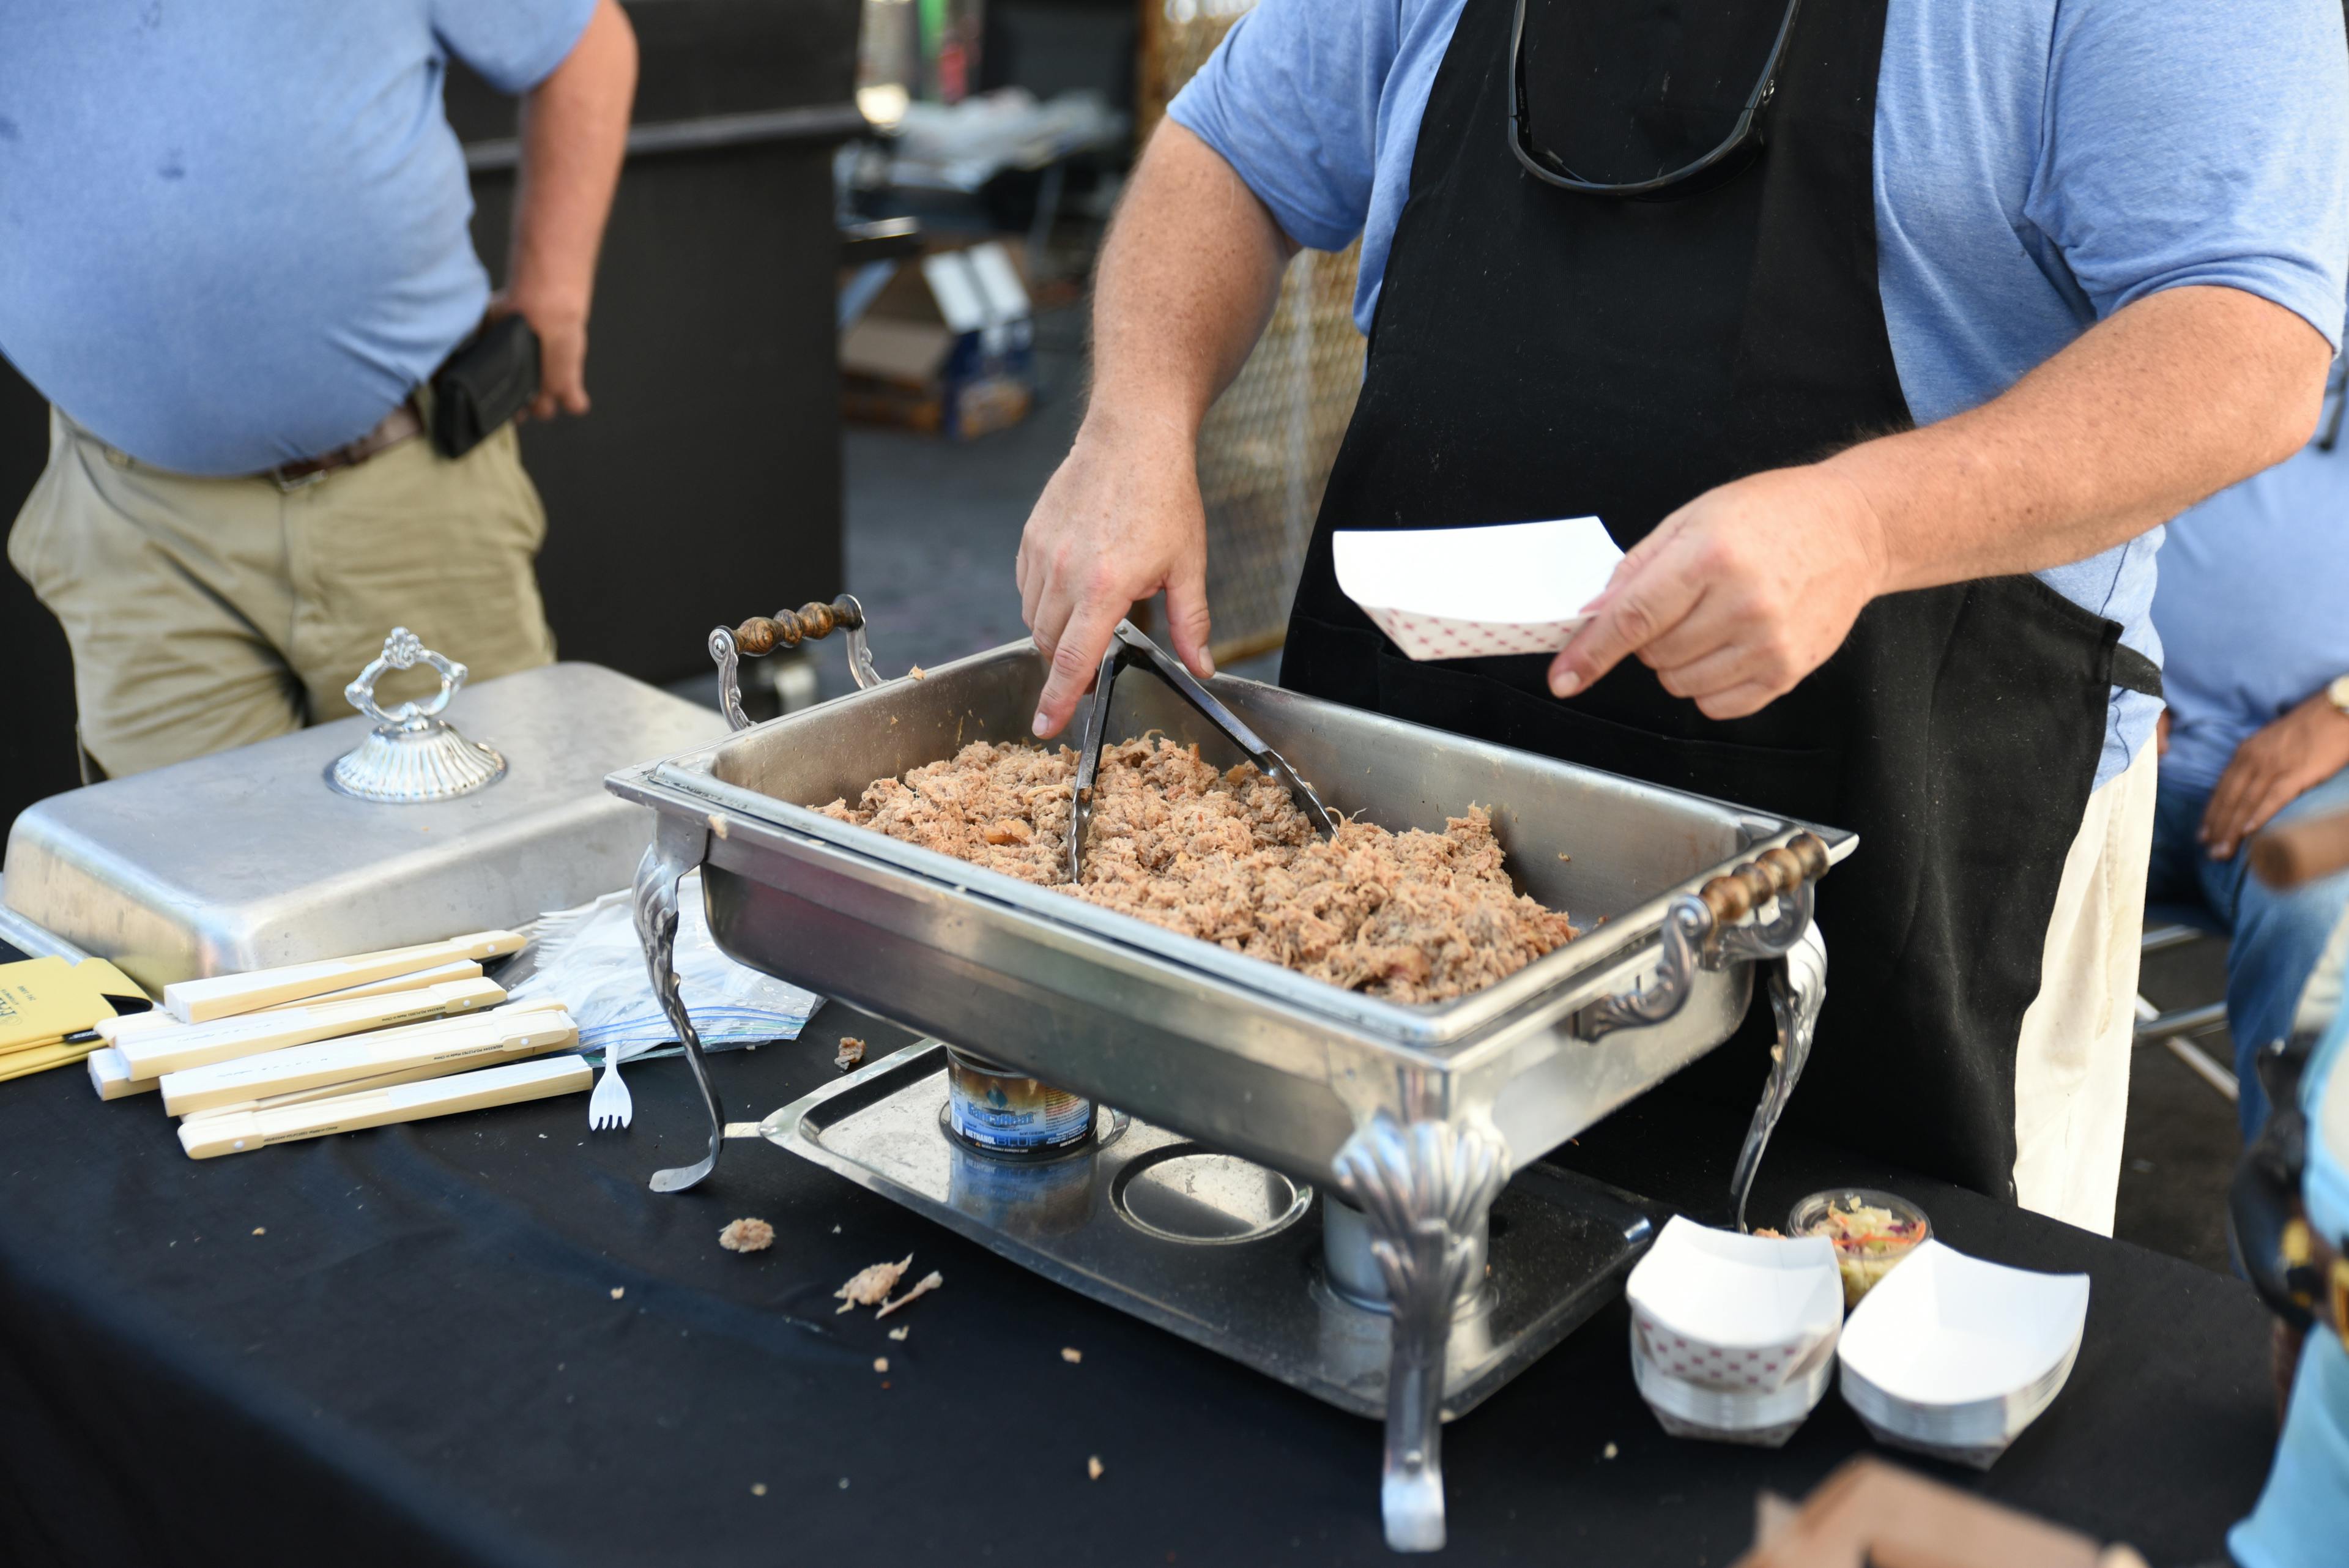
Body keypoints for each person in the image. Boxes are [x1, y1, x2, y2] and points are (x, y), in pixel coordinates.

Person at [1014, 0, 2349, 1232]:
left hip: (1909, 860)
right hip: (1394, 850)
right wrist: (1136, 419)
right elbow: (1234, 152)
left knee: (1853, 1429)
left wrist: (1863, 521)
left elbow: (2248, 335)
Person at [1, 1, 637, 776]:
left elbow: (585, 41)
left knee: (489, 870)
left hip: (414, 492)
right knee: (194, 884)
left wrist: (555, 297)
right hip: (139, 527)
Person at [2148, 379, 2349, 1139]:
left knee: (2327, 914)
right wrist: (2089, 644)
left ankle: (2297, 1249)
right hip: (2098, 719)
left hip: (2322, 782)